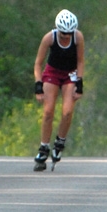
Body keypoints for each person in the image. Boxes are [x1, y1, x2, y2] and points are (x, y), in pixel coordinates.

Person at [33, 9, 85, 171]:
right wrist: (38, 85)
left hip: (70, 74)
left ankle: (60, 142)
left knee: (67, 111)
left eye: (68, 34)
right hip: (52, 73)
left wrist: (79, 83)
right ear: (58, 29)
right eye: (63, 34)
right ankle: (43, 148)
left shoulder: (78, 38)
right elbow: (38, 64)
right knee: (48, 112)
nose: (65, 37)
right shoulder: (49, 38)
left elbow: (81, 61)